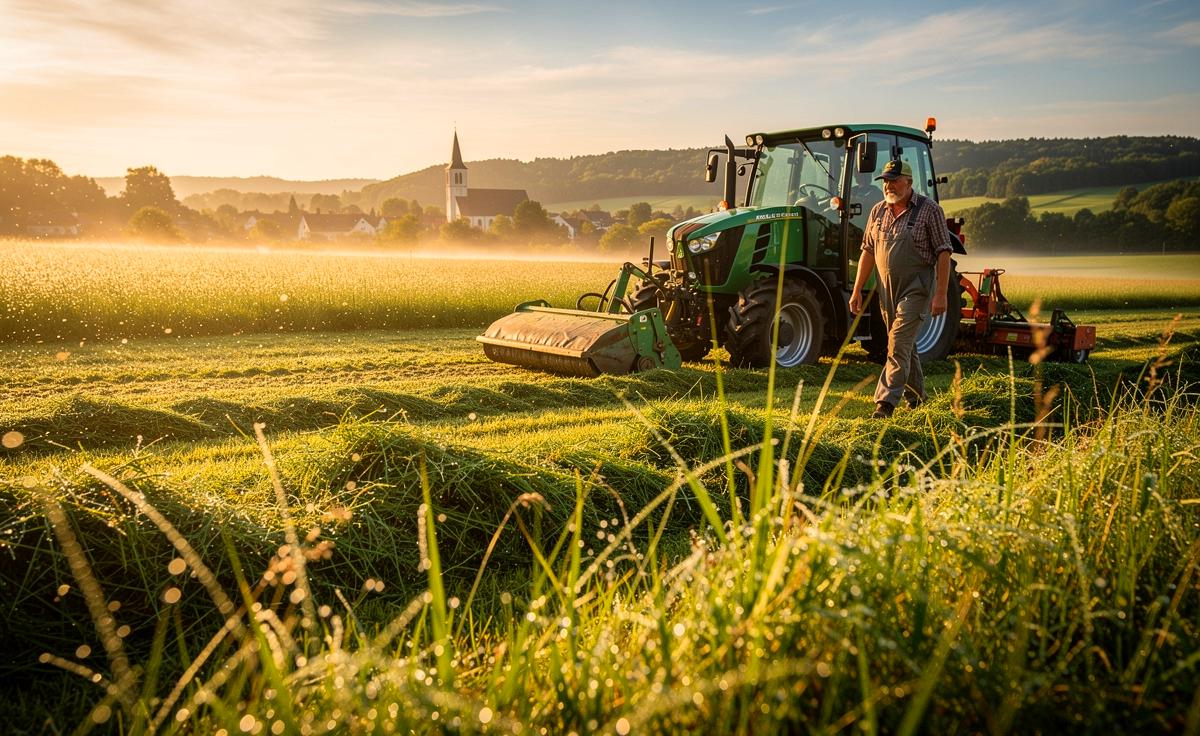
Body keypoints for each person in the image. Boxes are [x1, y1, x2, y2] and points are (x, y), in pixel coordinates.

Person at [848, 159, 952, 419]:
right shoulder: (877, 211)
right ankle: (917, 399)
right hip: (886, 291)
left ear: (909, 182)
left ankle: (884, 404)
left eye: (894, 180)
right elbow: (868, 251)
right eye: (886, 181)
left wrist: (941, 293)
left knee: (896, 344)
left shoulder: (929, 210)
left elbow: (944, 252)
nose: (889, 186)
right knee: (905, 346)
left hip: (916, 289)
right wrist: (857, 289)